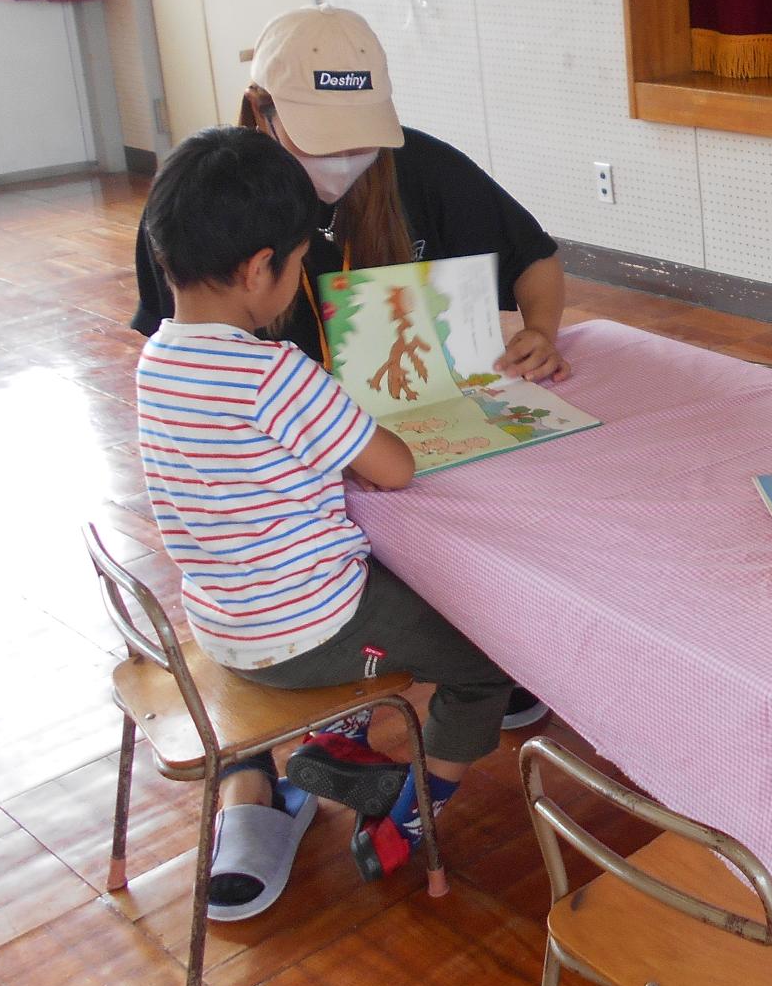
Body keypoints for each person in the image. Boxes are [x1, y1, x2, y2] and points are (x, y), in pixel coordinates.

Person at [130, 5, 553, 731]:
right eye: (323, 140)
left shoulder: (169, 345)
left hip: (229, 601)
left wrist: (539, 329)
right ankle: (337, 753)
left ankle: (308, 743)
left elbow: (534, 256)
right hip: (315, 559)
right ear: (261, 111)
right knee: (465, 632)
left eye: (362, 139)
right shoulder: (217, 223)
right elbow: (393, 468)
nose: (345, 159)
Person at [136, 126, 515, 916]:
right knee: (487, 658)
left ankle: (338, 742)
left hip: (218, 620)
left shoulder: (157, 362)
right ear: (258, 270)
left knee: (399, 592)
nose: (298, 280)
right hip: (306, 626)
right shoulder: (274, 373)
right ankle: (413, 812)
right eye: (299, 263)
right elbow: (394, 467)